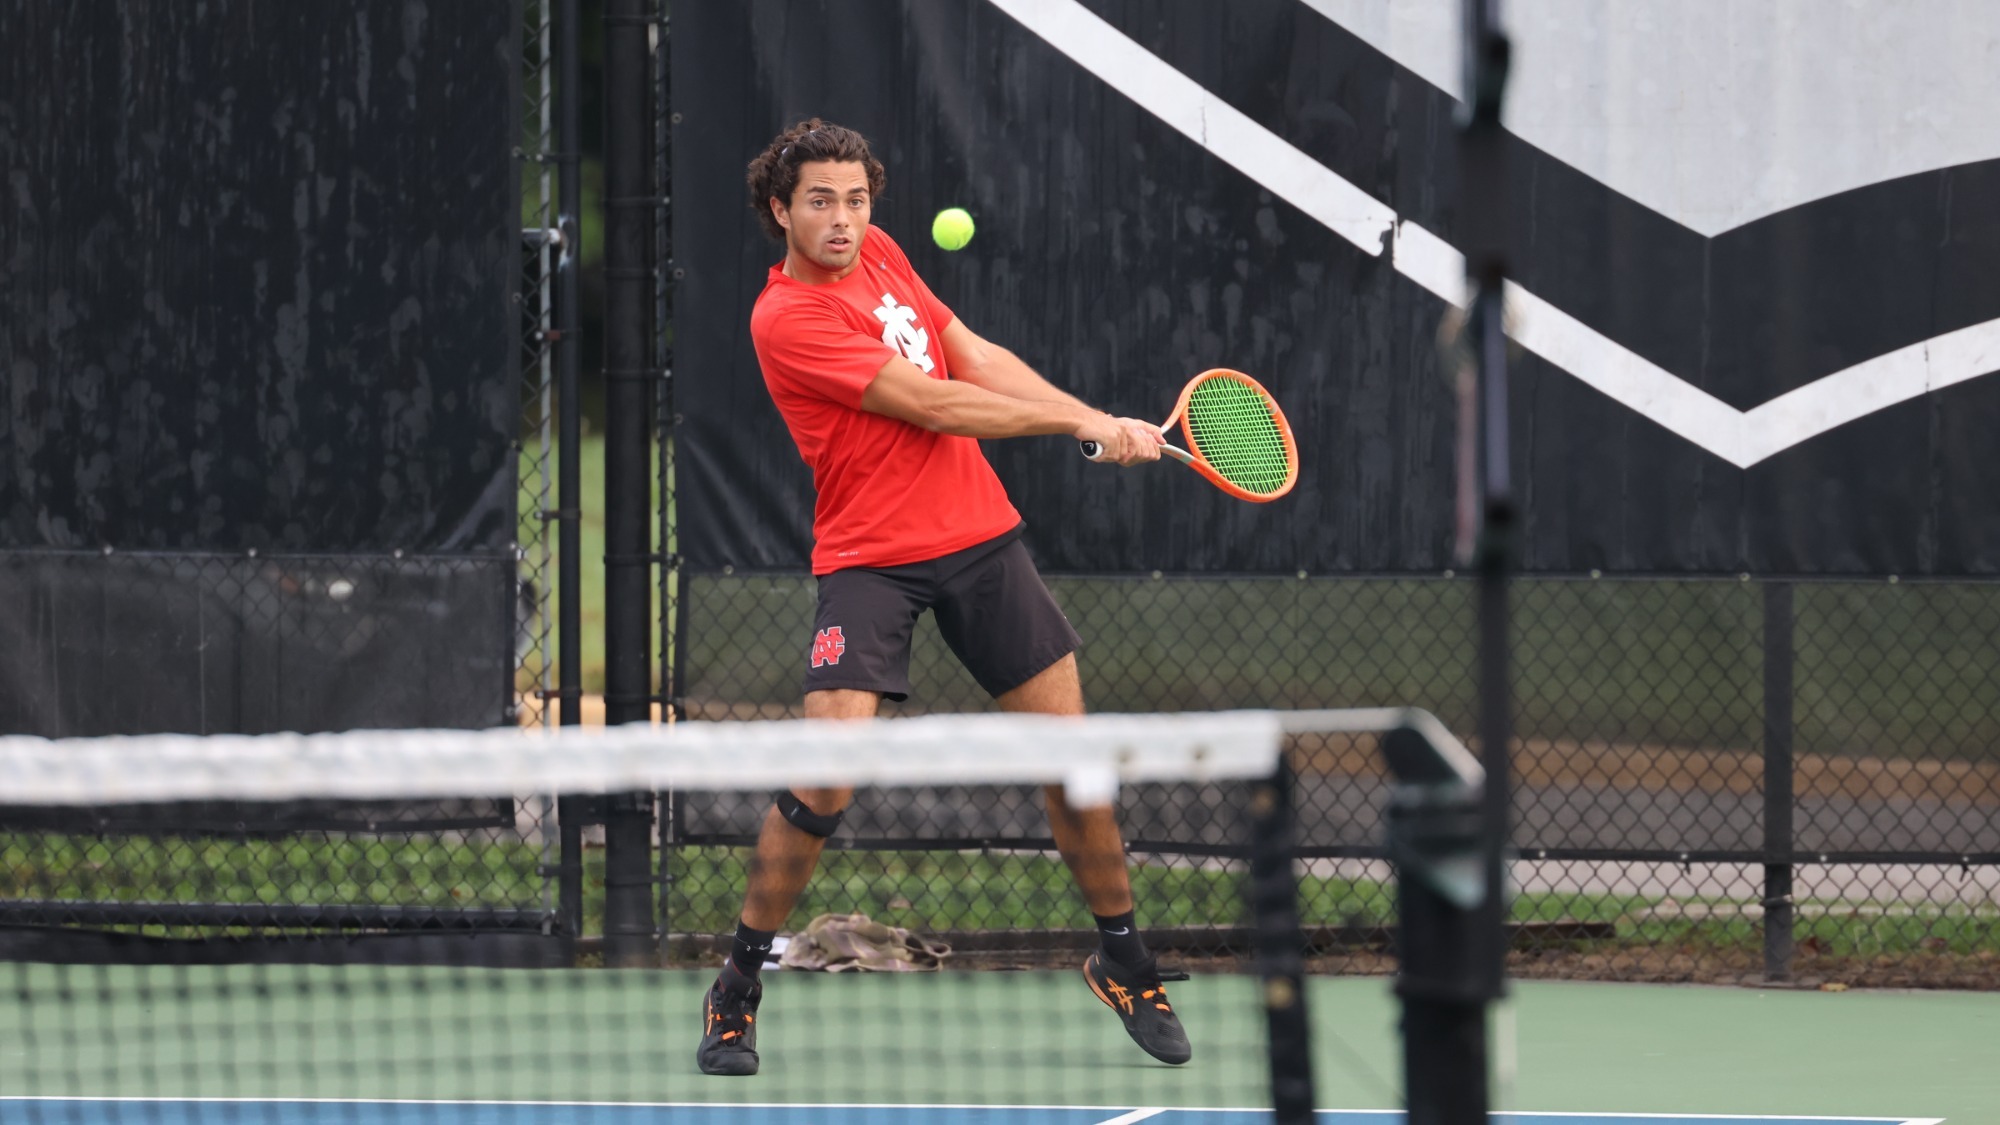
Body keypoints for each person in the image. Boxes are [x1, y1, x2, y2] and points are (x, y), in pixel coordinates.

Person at [696, 118, 1188, 1078]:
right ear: (779, 211)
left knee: (1073, 760)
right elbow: (932, 401)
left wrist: (1087, 418)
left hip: (979, 537)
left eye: (856, 198)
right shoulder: (785, 318)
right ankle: (737, 988)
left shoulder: (881, 255)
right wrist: (1082, 421)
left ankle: (1125, 957)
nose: (843, 220)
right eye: (820, 202)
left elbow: (969, 353)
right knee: (824, 776)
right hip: (870, 557)